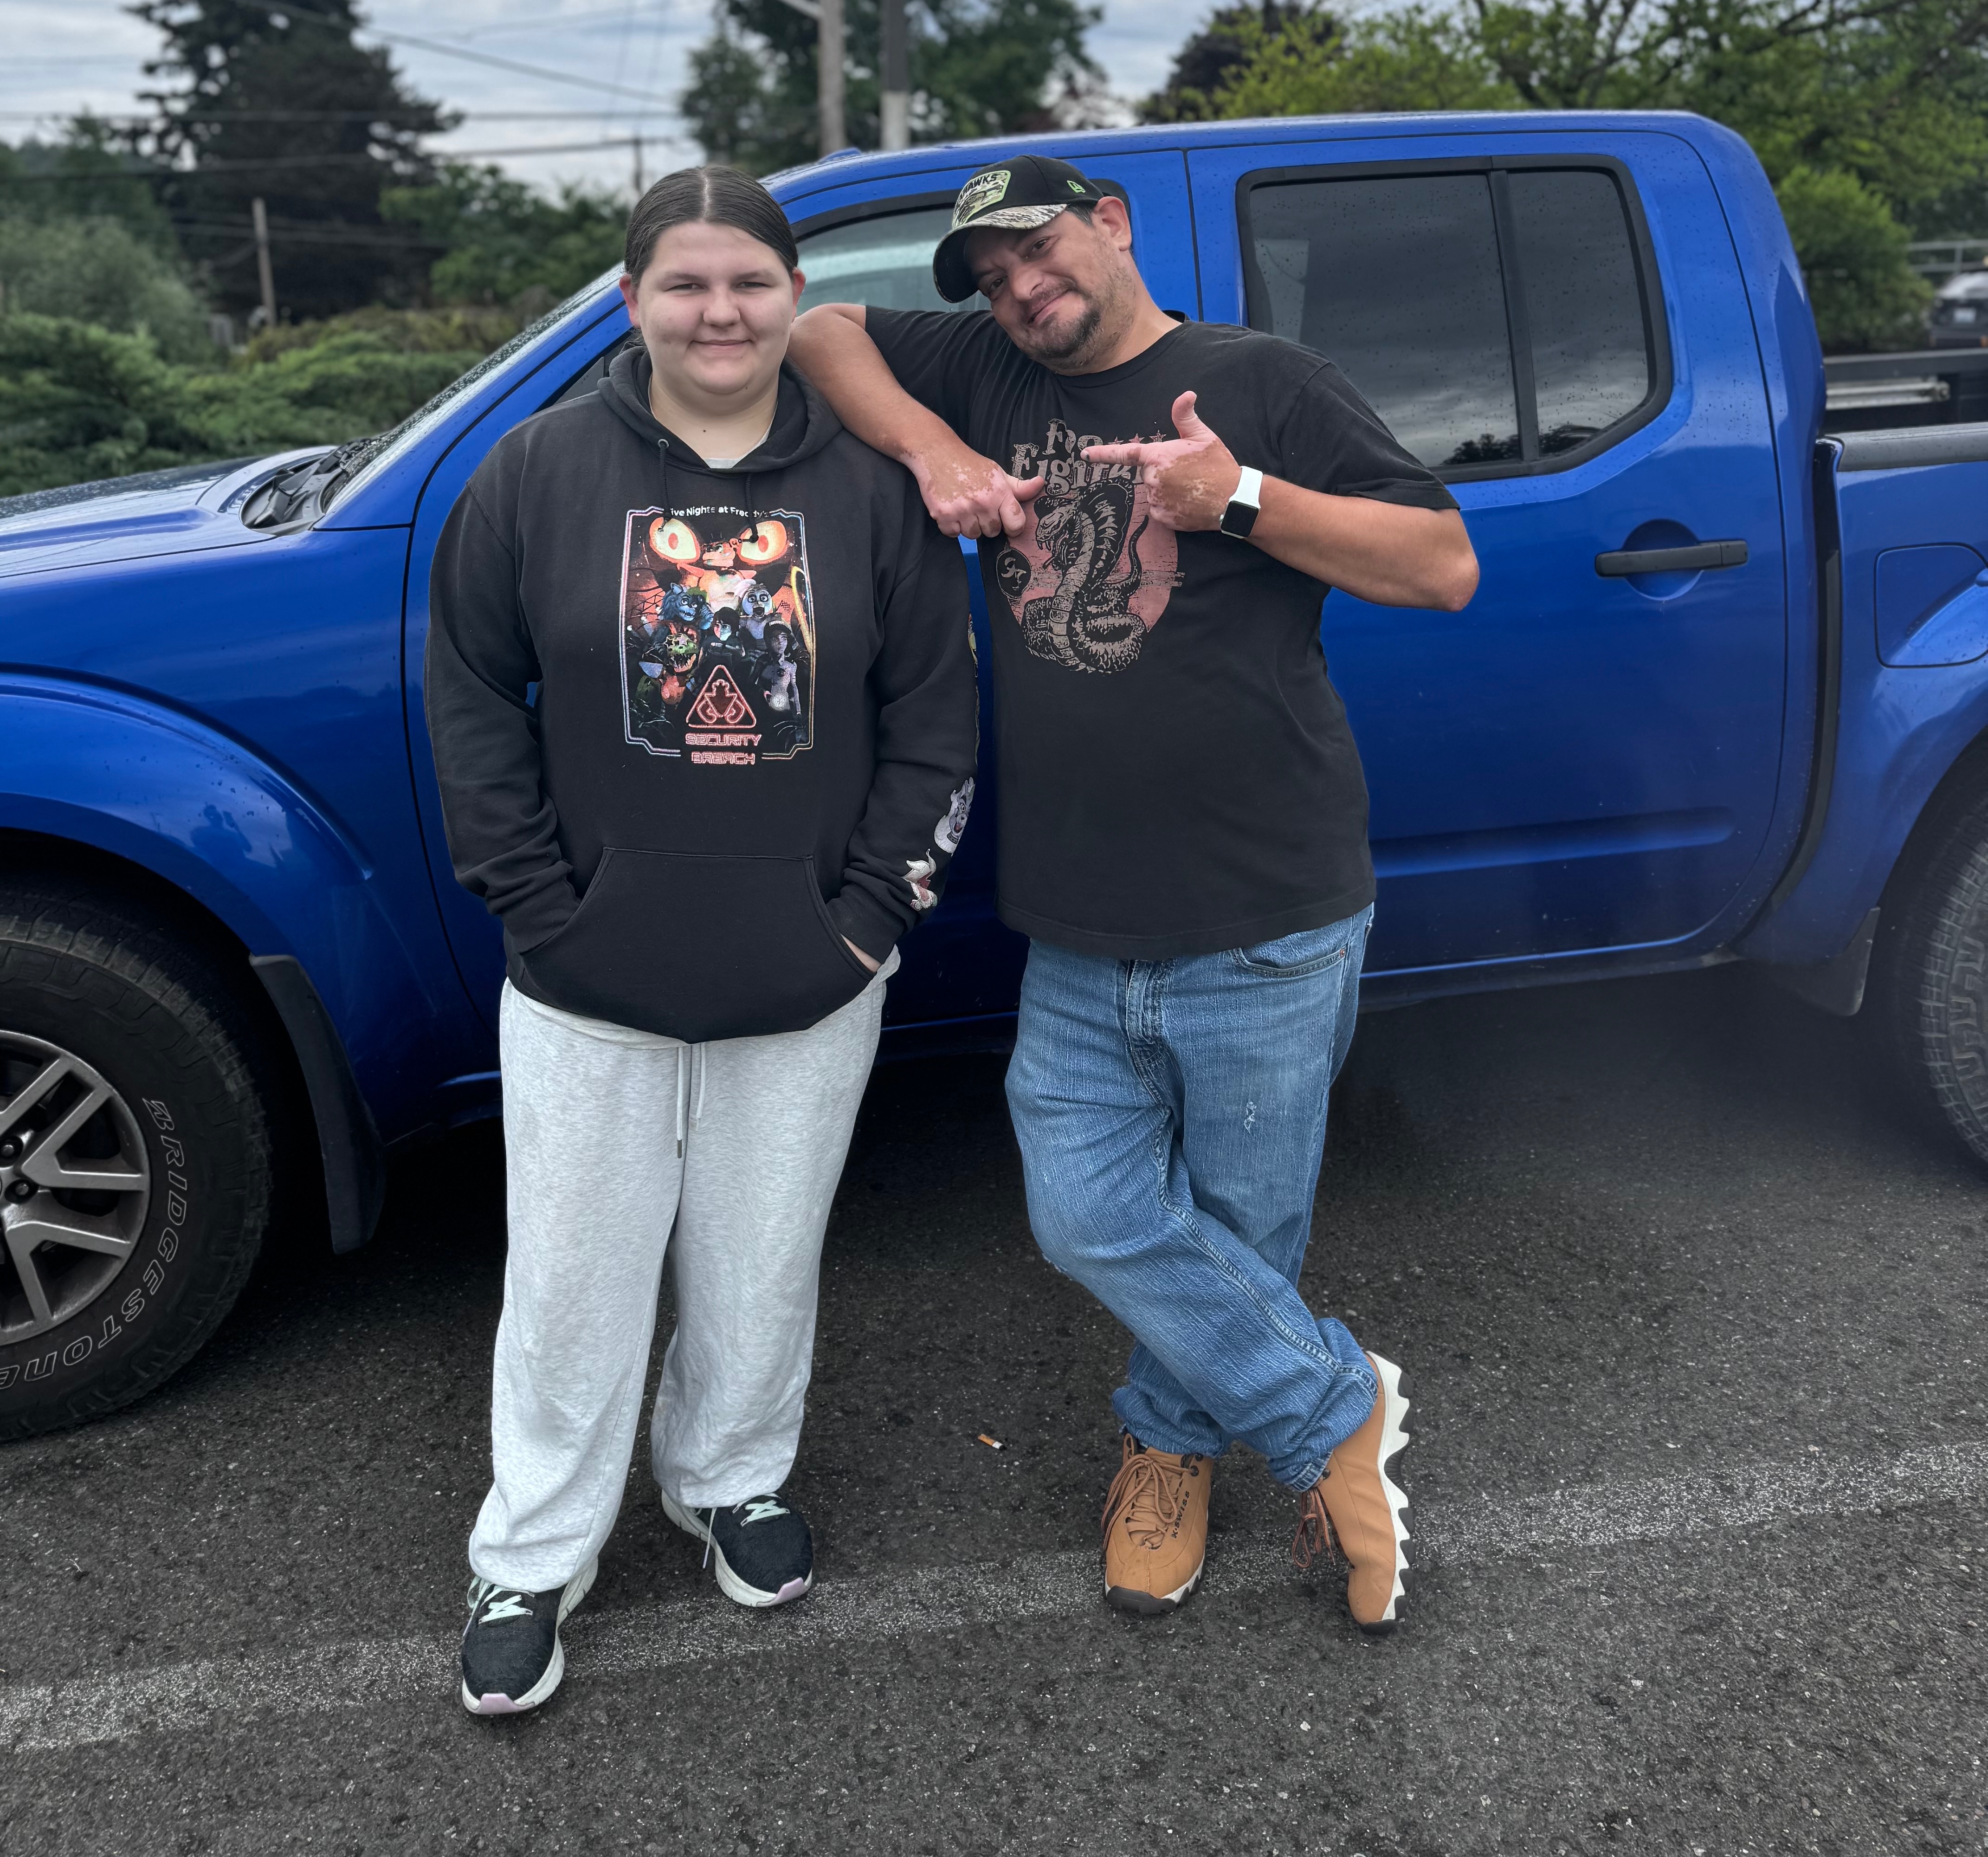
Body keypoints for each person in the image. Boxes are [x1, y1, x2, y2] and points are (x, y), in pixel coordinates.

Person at [788, 152, 1477, 1634]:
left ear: (1109, 225)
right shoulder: (987, 369)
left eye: (1038, 251)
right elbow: (820, 330)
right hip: (1078, 922)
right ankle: (1331, 1408)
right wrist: (932, 451)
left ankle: (1167, 1452)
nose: (1018, 290)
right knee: (1086, 1214)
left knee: (1238, 1227)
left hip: (1267, 914)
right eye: (989, 280)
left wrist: (1237, 497)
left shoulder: (1263, 379)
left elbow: (1439, 568)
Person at [427, 165, 977, 1715]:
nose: (717, 311)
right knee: (572, 1277)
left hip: (810, 970)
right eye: (684, 283)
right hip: (585, 978)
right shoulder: (535, 474)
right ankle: (533, 1551)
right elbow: (471, 700)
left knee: (762, 1253)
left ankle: (730, 1477)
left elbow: (934, 722)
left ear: (794, 299)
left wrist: (868, 920)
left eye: (748, 281)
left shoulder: (870, 491)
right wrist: (536, 907)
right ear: (631, 302)